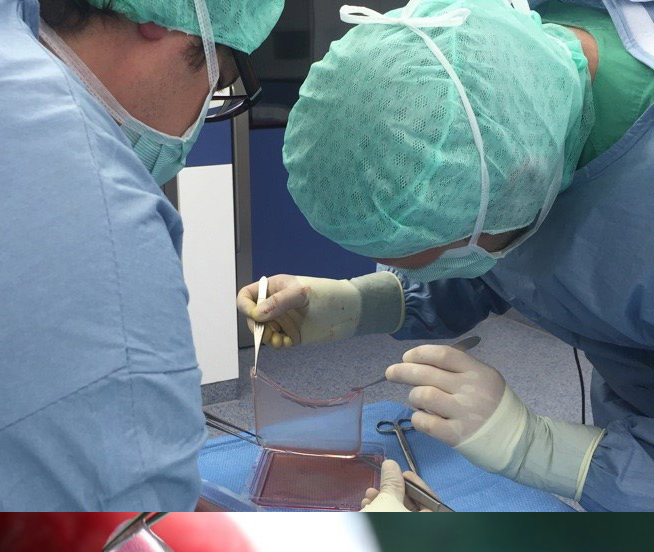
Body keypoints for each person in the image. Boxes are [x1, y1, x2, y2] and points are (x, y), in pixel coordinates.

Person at [238, 0, 654, 512]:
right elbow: (504, 260)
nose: (444, 265)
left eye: (436, 255)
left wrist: (541, 449)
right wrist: (360, 303)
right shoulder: (506, 91)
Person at [0, 0, 281, 511]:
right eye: (217, 77)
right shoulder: (102, 215)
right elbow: (126, 544)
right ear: (158, 20)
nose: (202, 114)